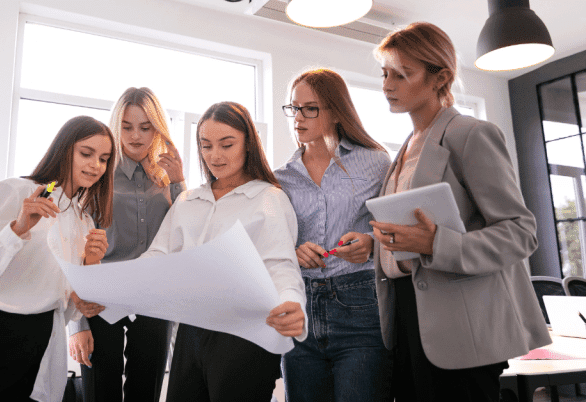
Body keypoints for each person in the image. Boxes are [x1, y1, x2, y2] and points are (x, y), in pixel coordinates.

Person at [368, 22, 551, 402]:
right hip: (406, 316)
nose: (387, 85)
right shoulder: (406, 148)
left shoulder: (470, 134)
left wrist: (437, 244)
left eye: (401, 74)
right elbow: (411, 234)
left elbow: (520, 231)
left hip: (461, 327)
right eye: (385, 73)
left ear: (440, 78)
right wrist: (372, 244)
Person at [0, 116, 116, 402]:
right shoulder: (16, 192)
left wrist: (88, 272)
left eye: (104, 159)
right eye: (86, 153)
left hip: (42, 339)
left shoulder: (83, 220)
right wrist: (17, 229)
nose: (96, 165)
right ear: (64, 149)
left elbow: (66, 301)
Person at [142, 101, 307, 402]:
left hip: (245, 333)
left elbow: (280, 265)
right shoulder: (188, 201)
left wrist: (291, 301)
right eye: (206, 146)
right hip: (191, 331)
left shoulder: (268, 198)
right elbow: (157, 257)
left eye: (226, 145)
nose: (215, 156)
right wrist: (108, 286)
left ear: (248, 143)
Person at [274, 68, 393, 402]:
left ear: (337, 111)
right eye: (294, 108)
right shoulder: (280, 178)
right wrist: (293, 251)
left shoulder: (376, 162)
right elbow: (272, 243)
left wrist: (370, 243)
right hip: (300, 308)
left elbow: (396, 226)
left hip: (360, 304)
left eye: (310, 108)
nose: (298, 117)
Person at [67, 87, 185, 402]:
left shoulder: (167, 177)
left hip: (154, 297)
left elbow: (187, 232)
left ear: (157, 129)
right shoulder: (97, 173)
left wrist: (179, 181)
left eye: (145, 127)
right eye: (127, 126)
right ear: (115, 127)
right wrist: (77, 324)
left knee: (145, 391)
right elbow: (73, 249)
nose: (135, 136)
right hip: (101, 294)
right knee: (100, 391)